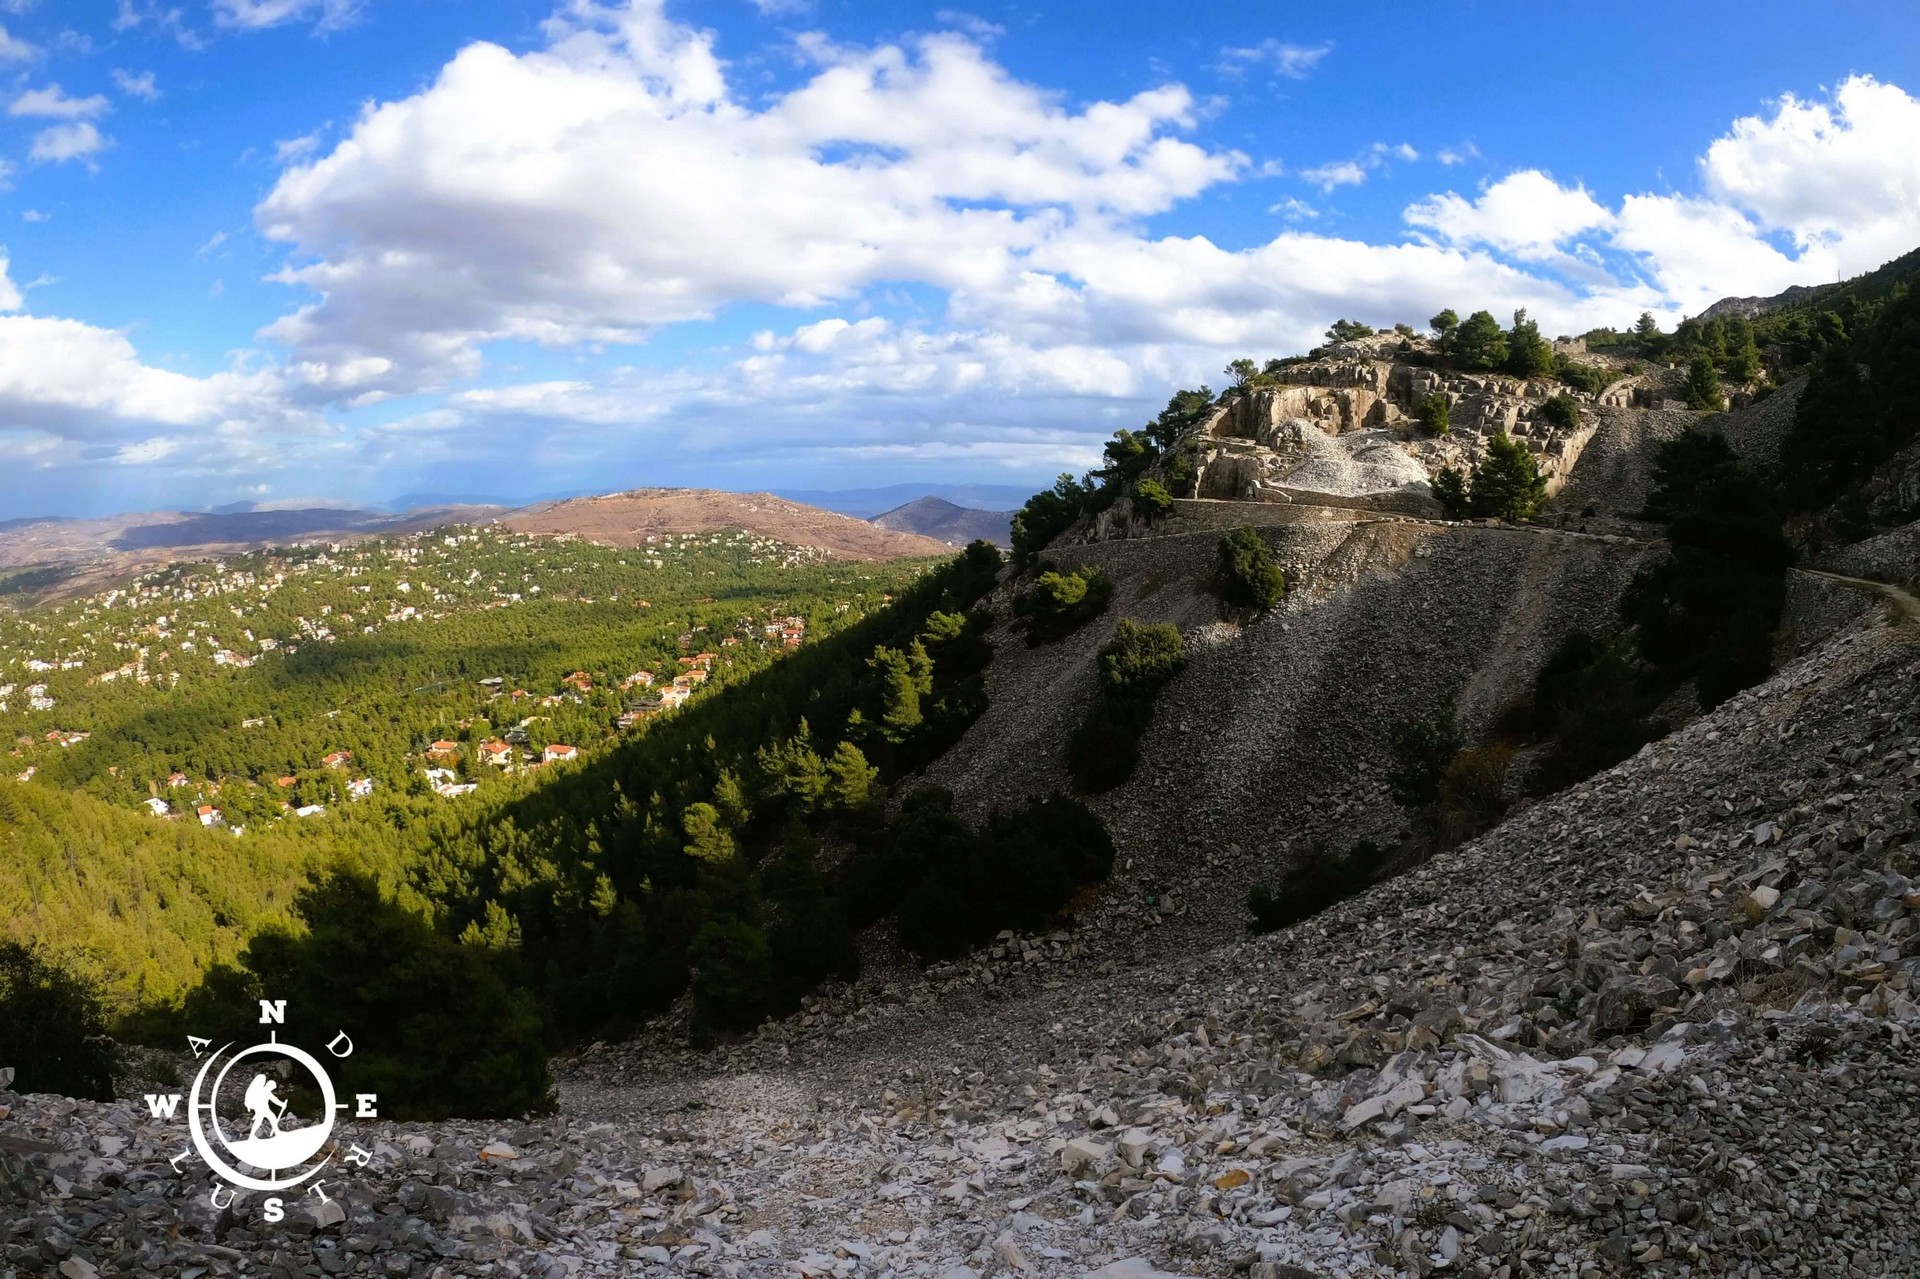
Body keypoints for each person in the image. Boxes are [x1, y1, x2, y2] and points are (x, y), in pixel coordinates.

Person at [244, 1073, 287, 1141]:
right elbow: (274, 1100)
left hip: (263, 1109)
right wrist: (282, 1104)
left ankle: (276, 1132)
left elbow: (274, 1099)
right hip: (261, 1109)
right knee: (267, 1119)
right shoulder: (262, 1091)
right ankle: (252, 1136)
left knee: (269, 1118)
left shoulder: (263, 1090)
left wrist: (282, 1104)